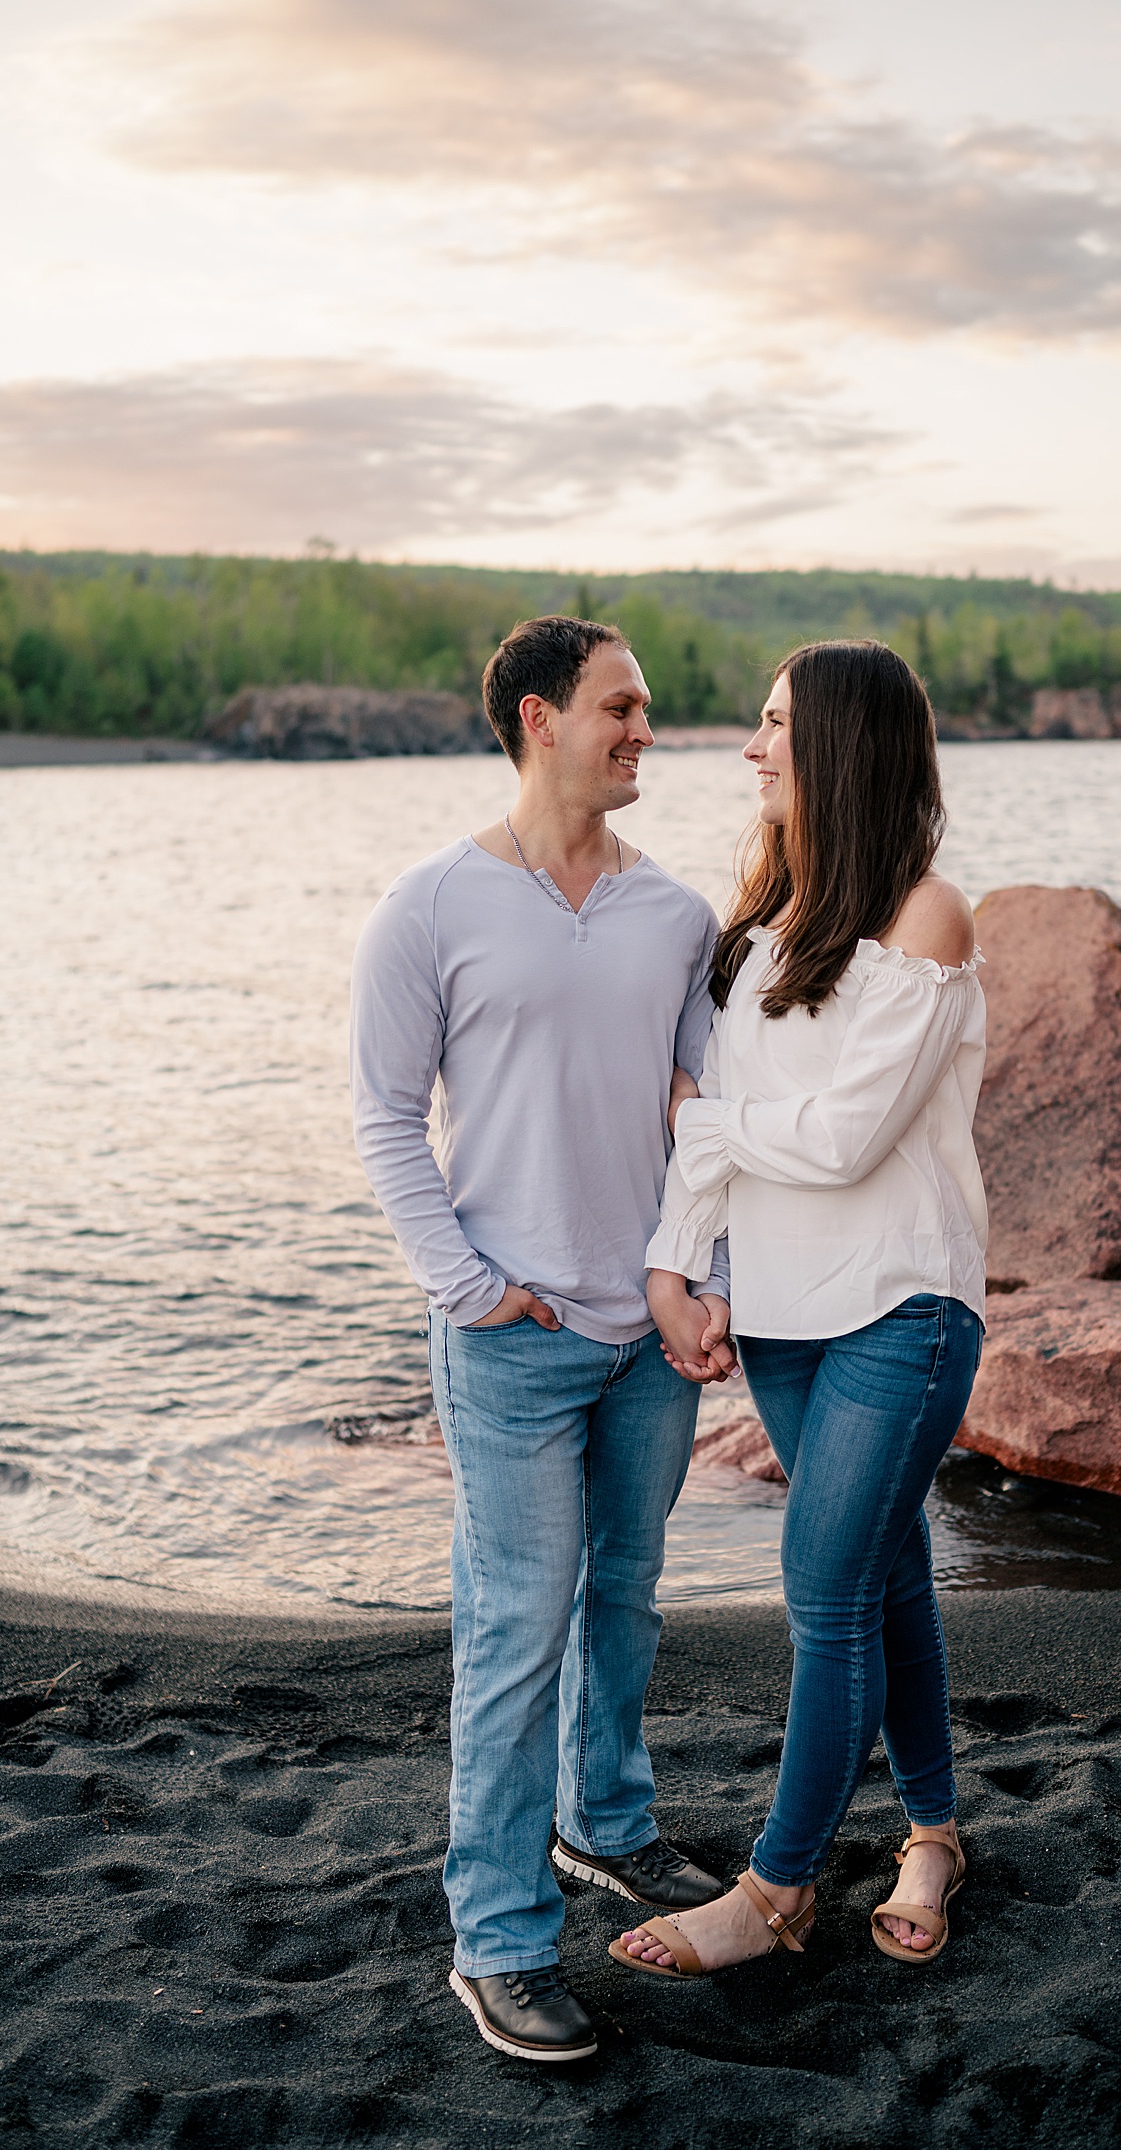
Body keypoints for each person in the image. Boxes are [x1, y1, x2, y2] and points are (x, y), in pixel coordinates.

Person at [349, 614, 737, 2064]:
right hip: (507, 1339)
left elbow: (711, 1112)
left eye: (647, 708)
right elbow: (387, 1119)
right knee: (518, 1629)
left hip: (644, 1333)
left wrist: (696, 1278)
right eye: (619, 707)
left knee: (626, 1596)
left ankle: (607, 1826)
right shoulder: (431, 906)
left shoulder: (677, 916)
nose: (645, 729)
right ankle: (498, 1939)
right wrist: (463, 1280)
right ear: (535, 718)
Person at [613, 638, 987, 1981]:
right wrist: (685, 1268)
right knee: (883, 1577)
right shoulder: (755, 932)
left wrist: (710, 1126)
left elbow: (838, 1142)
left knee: (823, 1587)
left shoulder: (927, 918)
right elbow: (699, 1148)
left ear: (842, 744)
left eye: (776, 724)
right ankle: (933, 1832)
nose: (752, 746)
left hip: (903, 1306)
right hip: (775, 1312)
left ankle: (776, 1891)